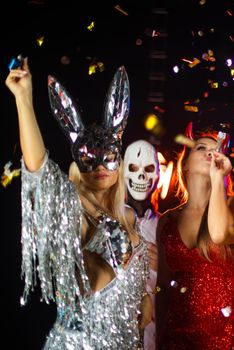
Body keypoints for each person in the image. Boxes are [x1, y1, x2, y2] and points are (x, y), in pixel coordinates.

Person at [6, 58, 151, 348]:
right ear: (77, 162)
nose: (99, 166)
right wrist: (24, 99)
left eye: (107, 157)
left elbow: (136, 296)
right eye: (88, 157)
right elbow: (38, 168)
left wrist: (144, 300)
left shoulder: (129, 217)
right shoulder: (71, 207)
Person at [155, 124, 234, 349]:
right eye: (201, 148)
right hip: (177, 336)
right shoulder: (167, 221)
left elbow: (221, 233)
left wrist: (219, 179)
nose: (210, 152)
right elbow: (162, 286)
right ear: (185, 164)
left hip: (227, 336)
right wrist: (159, 335)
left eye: (216, 149)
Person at [124, 139, 161, 349]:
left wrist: (161, 272)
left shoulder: (165, 228)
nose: (141, 176)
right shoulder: (106, 222)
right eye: (134, 169)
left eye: (148, 169)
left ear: (157, 176)